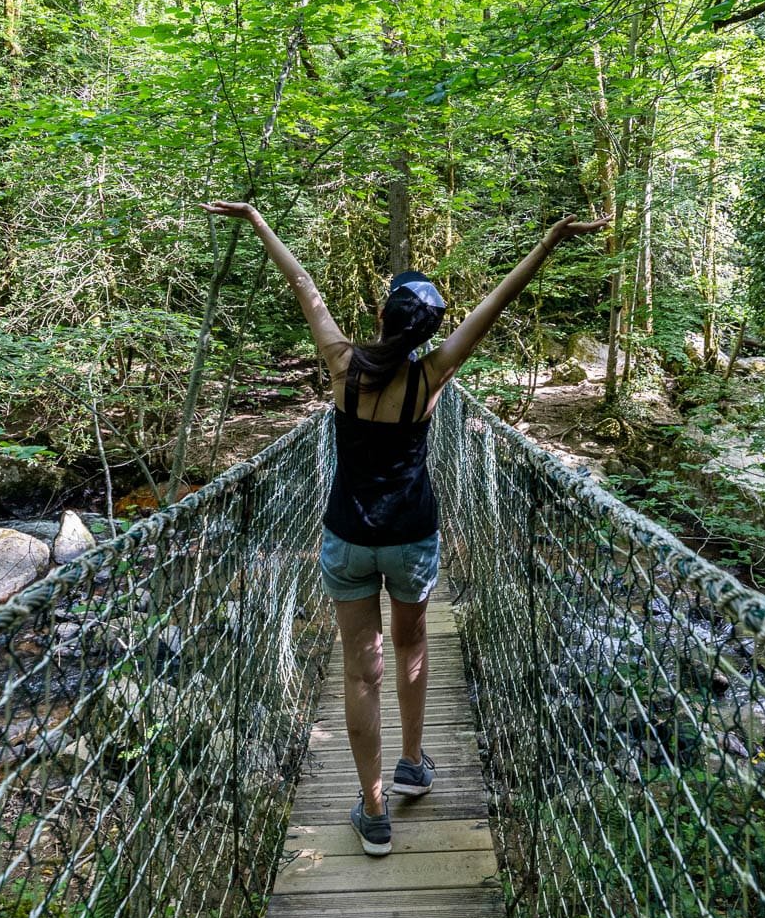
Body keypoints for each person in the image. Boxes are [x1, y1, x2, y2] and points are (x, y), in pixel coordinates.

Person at [202, 201, 609, 856]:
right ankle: (413, 764)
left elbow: (303, 284)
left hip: (347, 539)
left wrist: (256, 221)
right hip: (413, 537)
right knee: (411, 646)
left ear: (384, 317)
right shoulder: (431, 377)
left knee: (360, 671)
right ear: (425, 330)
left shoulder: (344, 367)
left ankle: (372, 809)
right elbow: (497, 305)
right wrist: (551, 241)